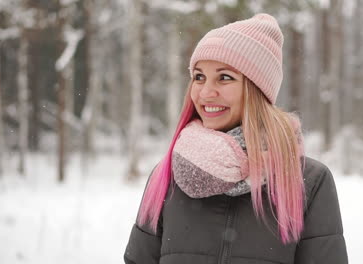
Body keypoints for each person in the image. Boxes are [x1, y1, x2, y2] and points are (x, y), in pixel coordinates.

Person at [124, 13, 348, 264]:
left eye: (225, 77)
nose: (206, 92)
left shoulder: (307, 180)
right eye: (199, 77)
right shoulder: (167, 175)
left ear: (257, 90)